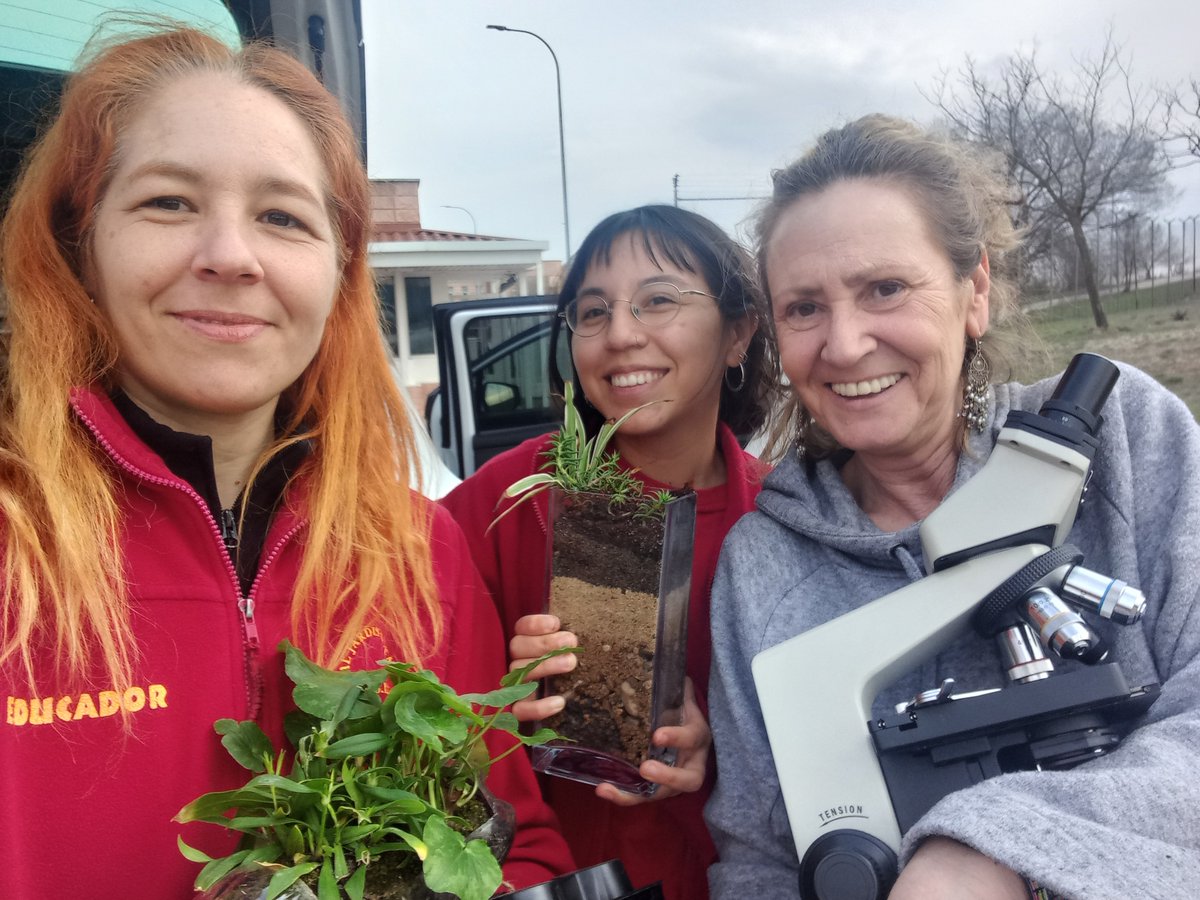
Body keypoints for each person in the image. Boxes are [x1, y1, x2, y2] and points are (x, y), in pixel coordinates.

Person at [0, 24, 572, 900]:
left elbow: (515, 850)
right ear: (81, 245)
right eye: (168, 202)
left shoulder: (420, 551)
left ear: (339, 270)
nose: (230, 255)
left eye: (282, 217)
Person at [704, 113, 1200, 899]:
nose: (844, 343)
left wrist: (988, 849)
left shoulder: (1126, 440)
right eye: (804, 307)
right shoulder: (763, 564)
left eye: (886, 288)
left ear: (975, 292)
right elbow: (759, 860)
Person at [441, 204, 779, 900]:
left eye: (658, 301)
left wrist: (718, 749)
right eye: (592, 313)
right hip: (555, 876)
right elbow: (396, 655)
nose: (620, 334)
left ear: (739, 332)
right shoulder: (514, 498)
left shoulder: (781, 519)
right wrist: (490, 694)